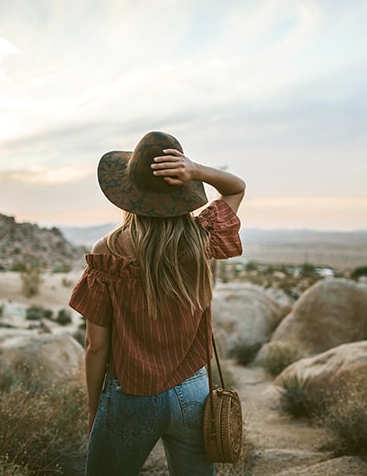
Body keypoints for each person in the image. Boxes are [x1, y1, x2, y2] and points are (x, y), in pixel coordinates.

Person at [69, 131, 245, 475]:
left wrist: (94, 408)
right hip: (194, 390)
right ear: (182, 191)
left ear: (127, 195)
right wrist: (196, 170)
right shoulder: (200, 239)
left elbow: (96, 345)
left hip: (130, 395)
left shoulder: (109, 251)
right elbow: (236, 187)